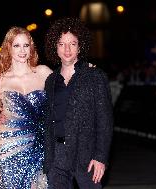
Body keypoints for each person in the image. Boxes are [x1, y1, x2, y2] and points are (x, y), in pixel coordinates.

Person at [43, 17, 114, 189]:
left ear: (80, 46)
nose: (67, 49)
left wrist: (100, 157)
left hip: (87, 156)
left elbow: (105, 120)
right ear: (55, 46)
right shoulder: (51, 80)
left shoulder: (95, 76)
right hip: (57, 156)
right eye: (61, 44)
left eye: (72, 43)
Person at [0, 26, 52, 189]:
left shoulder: (43, 72)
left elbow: (67, 87)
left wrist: (84, 71)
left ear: (31, 47)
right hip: (9, 147)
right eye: (17, 45)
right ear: (8, 48)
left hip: (40, 144)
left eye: (26, 45)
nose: (22, 50)